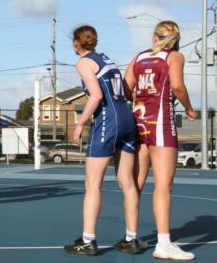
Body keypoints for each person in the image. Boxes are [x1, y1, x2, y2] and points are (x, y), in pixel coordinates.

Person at [124, 21, 197, 261]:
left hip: (138, 121)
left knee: (136, 182)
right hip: (160, 123)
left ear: (154, 36)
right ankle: (163, 243)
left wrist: (140, 97)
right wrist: (188, 107)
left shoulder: (139, 57)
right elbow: (176, 85)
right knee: (163, 186)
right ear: (175, 39)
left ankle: (131, 237)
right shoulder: (174, 56)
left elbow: (126, 88)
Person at [64, 26, 139, 256]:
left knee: (92, 184)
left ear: (77, 43)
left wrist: (80, 123)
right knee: (127, 182)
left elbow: (96, 95)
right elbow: (125, 91)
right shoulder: (107, 59)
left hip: (108, 119)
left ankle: (88, 241)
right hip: (127, 118)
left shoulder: (84, 63)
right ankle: (131, 239)